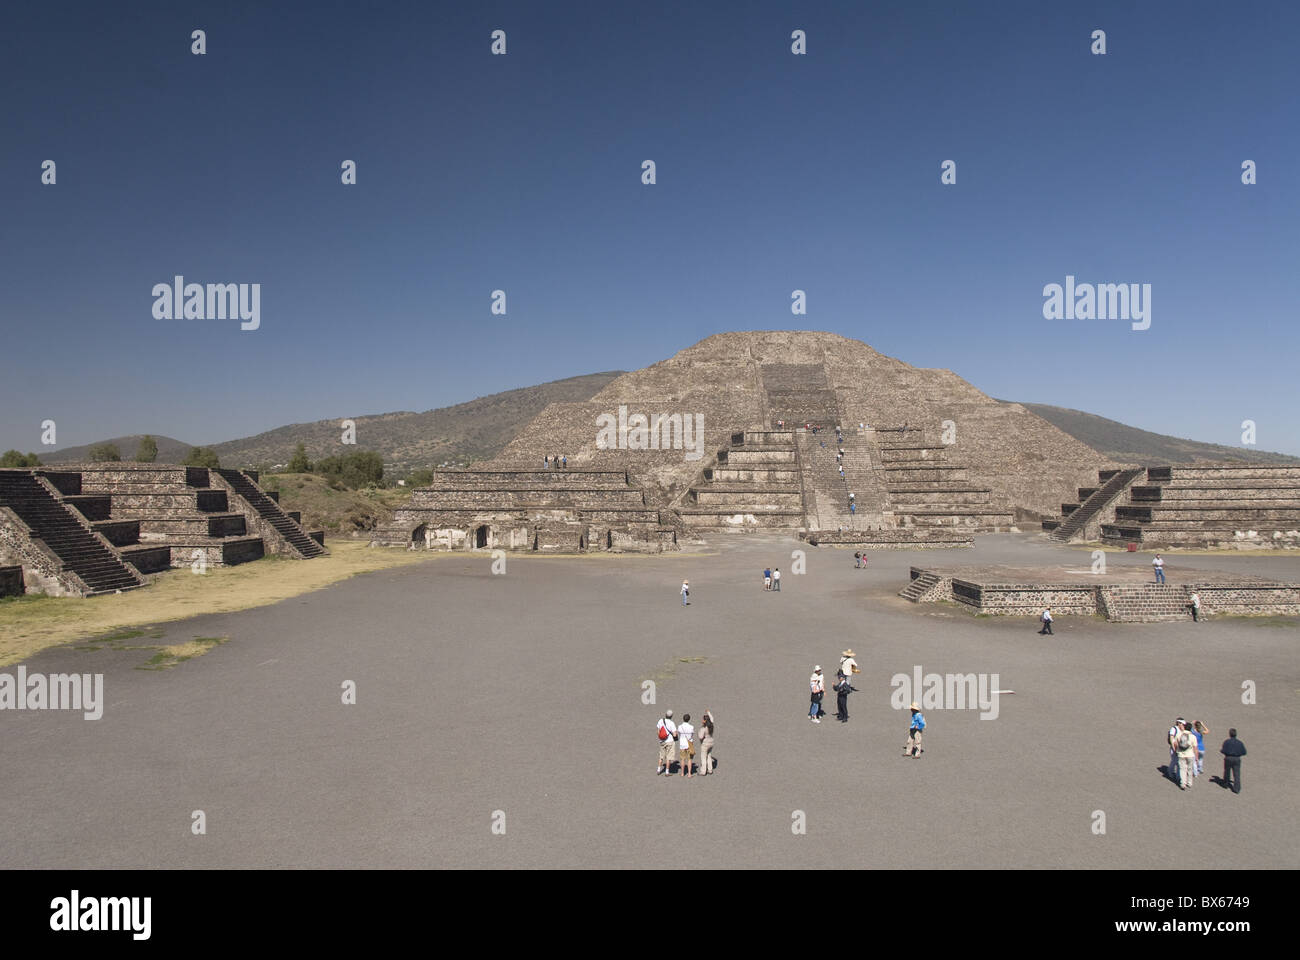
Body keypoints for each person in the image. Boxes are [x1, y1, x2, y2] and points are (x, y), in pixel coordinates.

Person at [1220, 728, 1246, 794]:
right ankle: (1237, 788)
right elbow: (1244, 752)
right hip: (1237, 759)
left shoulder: (1227, 742)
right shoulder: (1240, 743)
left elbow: (1223, 750)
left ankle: (1225, 784)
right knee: (1237, 774)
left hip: (1228, 758)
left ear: (1230, 734)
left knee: (1227, 772)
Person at [1174, 720, 1197, 790]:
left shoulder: (1179, 735)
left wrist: (1176, 751)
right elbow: (1195, 748)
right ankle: (1189, 783)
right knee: (1190, 769)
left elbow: (1175, 744)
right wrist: (1196, 757)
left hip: (1181, 755)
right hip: (1190, 755)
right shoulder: (1193, 736)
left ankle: (1183, 783)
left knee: (1182, 769)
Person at [656, 710, 677, 775]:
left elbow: (658, 731)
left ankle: (658, 769)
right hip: (670, 741)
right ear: (671, 716)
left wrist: (661, 738)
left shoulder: (660, 720)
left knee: (661, 756)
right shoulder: (672, 723)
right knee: (668, 757)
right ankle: (667, 772)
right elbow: (674, 735)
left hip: (662, 741)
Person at [678, 713, 695, 777]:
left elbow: (679, 733)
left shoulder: (680, 726)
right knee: (689, 759)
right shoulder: (691, 727)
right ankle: (689, 774)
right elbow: (692, 735)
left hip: (682, 744)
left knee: (682, 759)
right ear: (689, 719)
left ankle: (682, 773)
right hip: (689, 744)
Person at [1167, 718, 1184, 783]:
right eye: (1182, 724)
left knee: (1179, 763)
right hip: (1174, 748)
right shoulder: (1174, 729)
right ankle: (1170, 772)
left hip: (1180, 748)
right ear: (1179, 723)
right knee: (1174, 761)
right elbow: (1171, 738)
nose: (1183, 725)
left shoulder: (1182, 729)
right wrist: (1174, 748)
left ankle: (1178, 776)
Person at [698, 710, 715, 775]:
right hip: (711, 742)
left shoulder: (703, 728)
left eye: (703, 719)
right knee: (709, 756)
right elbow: (712, 718)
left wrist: (699, 732)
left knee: (703, 757)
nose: (702, 720)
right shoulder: (711, 725)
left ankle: (703, 771)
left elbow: (700, 737)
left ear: (705, 721)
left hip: (705, 744)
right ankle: (710, 769)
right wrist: (709, 712)